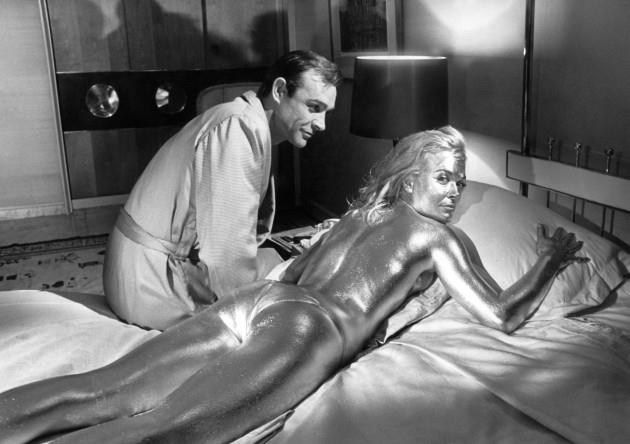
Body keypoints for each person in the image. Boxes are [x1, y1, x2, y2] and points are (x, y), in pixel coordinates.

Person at [0, 126, 587, 444]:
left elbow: (297, 266)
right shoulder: (436, 238)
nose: (455, 191)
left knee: (101, 389)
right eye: (444, 178)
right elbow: (501, 314)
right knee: (168, 429)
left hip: (261, 298)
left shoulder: (359, 215)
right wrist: (549, 261)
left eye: (459, 181)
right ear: (410, 181)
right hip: (306, 325)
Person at [103, 50, 343, 330]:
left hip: (137, 268)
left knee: (279, 261)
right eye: (314, 107)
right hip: (150, 282)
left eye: (326, 112)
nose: (322, 124)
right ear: (279, 91)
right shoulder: (238, 128)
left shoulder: (243, 118)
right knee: (300, 301)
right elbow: (227, 258)